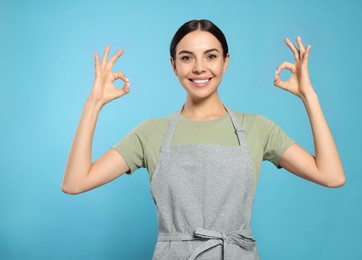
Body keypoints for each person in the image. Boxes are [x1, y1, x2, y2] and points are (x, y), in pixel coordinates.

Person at [62, 19, 345, 259]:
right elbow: (75, 183)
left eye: (211, 56)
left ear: (225, 62)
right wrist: (93, 103)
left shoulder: (257, 128)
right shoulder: (150, 132)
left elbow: (331, 176)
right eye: (187, 57)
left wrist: (309, 96)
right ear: (174, 65)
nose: (199, 68)